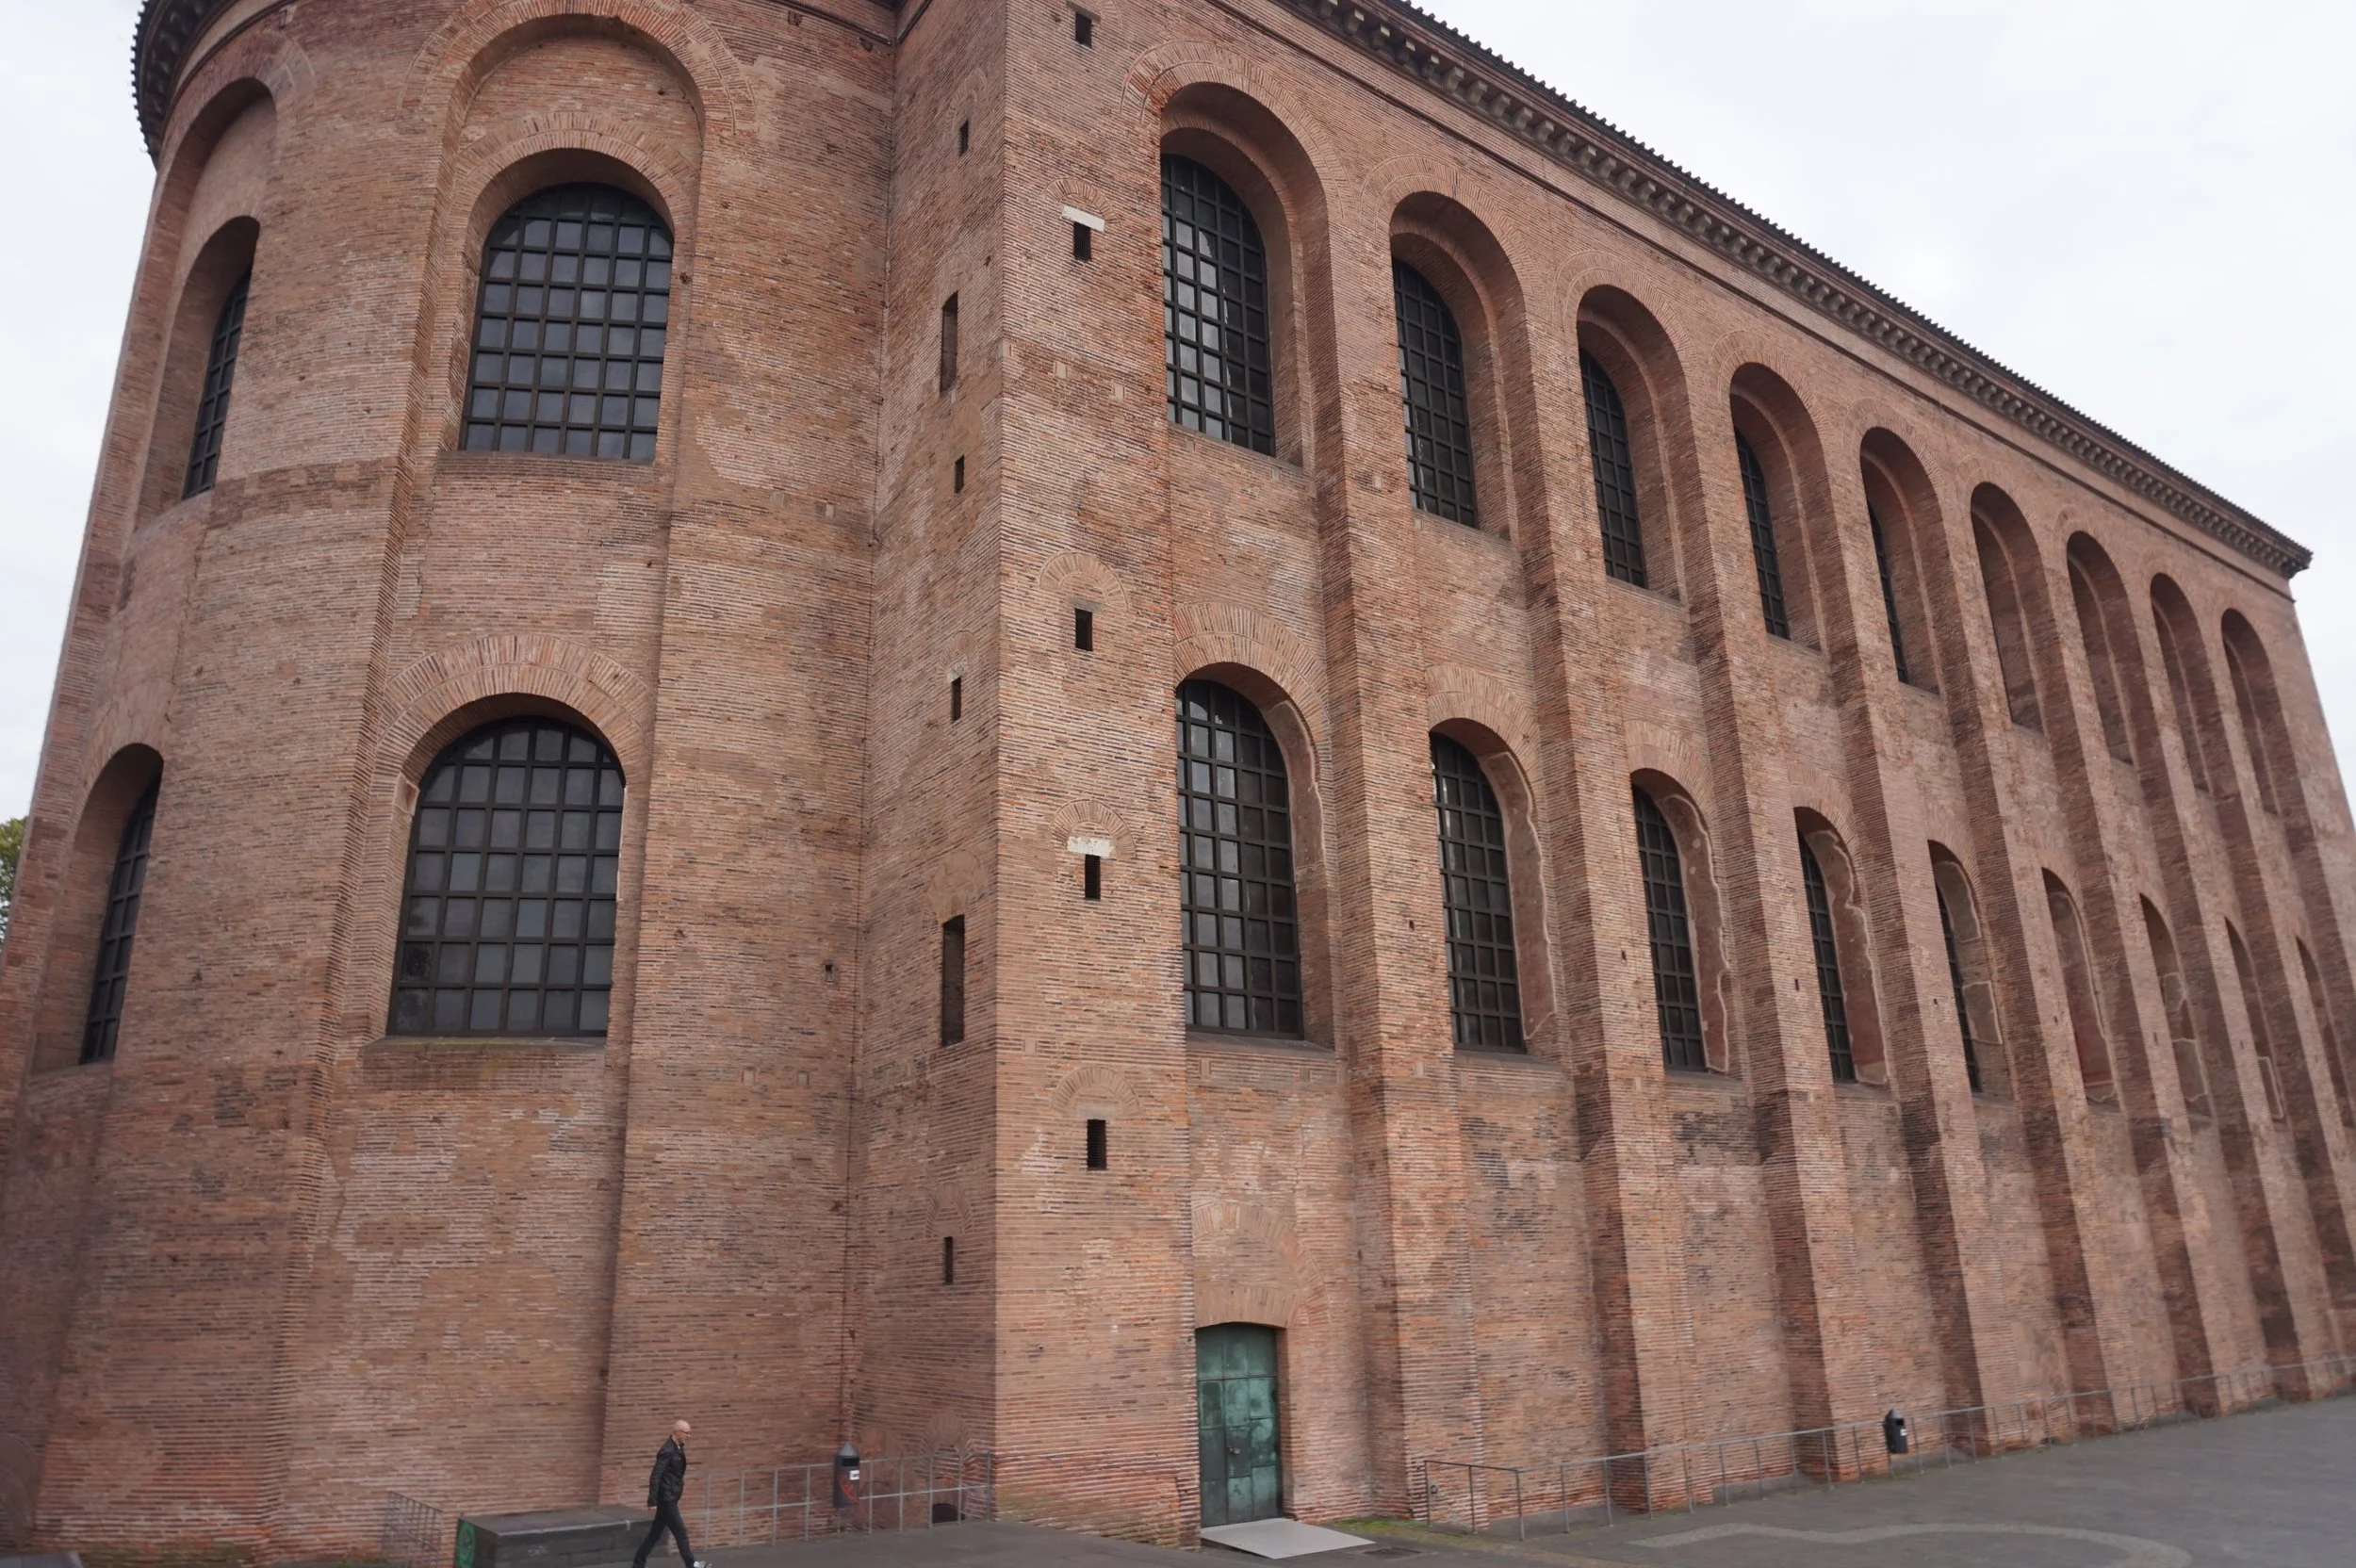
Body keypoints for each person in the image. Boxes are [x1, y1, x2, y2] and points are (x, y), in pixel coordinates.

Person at [630, 1419, 704, 1568]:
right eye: (686, 1432)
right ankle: (691, 1564)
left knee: (655, 1534)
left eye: (690, 1433)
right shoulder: (667, 1450)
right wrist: (652, 1501)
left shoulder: (678, 1448)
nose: (689, 1436)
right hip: (666, 1499)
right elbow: (655, 1476)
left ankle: (638, 1563)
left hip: (671, 1496)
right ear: (677, 1432)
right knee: (680, 1532)